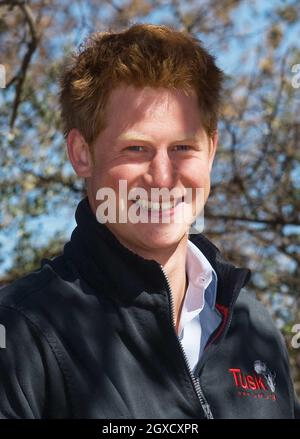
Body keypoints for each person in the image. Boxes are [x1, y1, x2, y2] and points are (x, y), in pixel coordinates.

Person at [0, 23, 299, 419]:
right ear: (81, 153)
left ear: (211, 150)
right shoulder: (21, 332)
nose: (162, 177)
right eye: (136, 148)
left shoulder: (254, 327)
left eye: (182, 147)